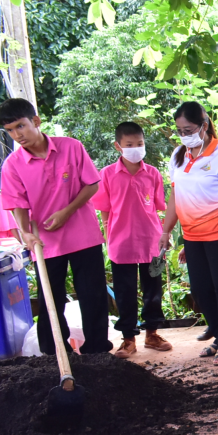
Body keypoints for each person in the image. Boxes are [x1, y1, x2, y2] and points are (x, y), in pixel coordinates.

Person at [0, 97, 113, 356]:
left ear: (35, 121)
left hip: (84, 235)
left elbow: (92, 184)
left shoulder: (71, 147)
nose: (17, 135)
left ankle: (97, 352)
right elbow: (17, 204)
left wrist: (66, 212)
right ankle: (55, 354)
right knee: (52, 300)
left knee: (92, 295)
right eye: (10, 130)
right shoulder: (12, 166)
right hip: (45, 244)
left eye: (21, 126)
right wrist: (25, 232)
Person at [160, 101, 218, 366]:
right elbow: (176, 195)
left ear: (204, 124)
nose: (183, 134)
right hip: (193, 237)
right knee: (201, 289)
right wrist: (166, 230)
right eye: (179, 130)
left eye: (188, 129)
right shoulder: (179, 154)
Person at [90, 122, 174, 358]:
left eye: (139, 144)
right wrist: (108, 235)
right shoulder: (106, 174)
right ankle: (128, 339)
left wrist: (165, 234)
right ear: (118, 146)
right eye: (129, 145)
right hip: (121, 243)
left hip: (152, 242)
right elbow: (104, 209)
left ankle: (152, 334)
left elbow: (159, 207)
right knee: (125, 292)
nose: (135, 148)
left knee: (153, 290)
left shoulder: (153, 173)